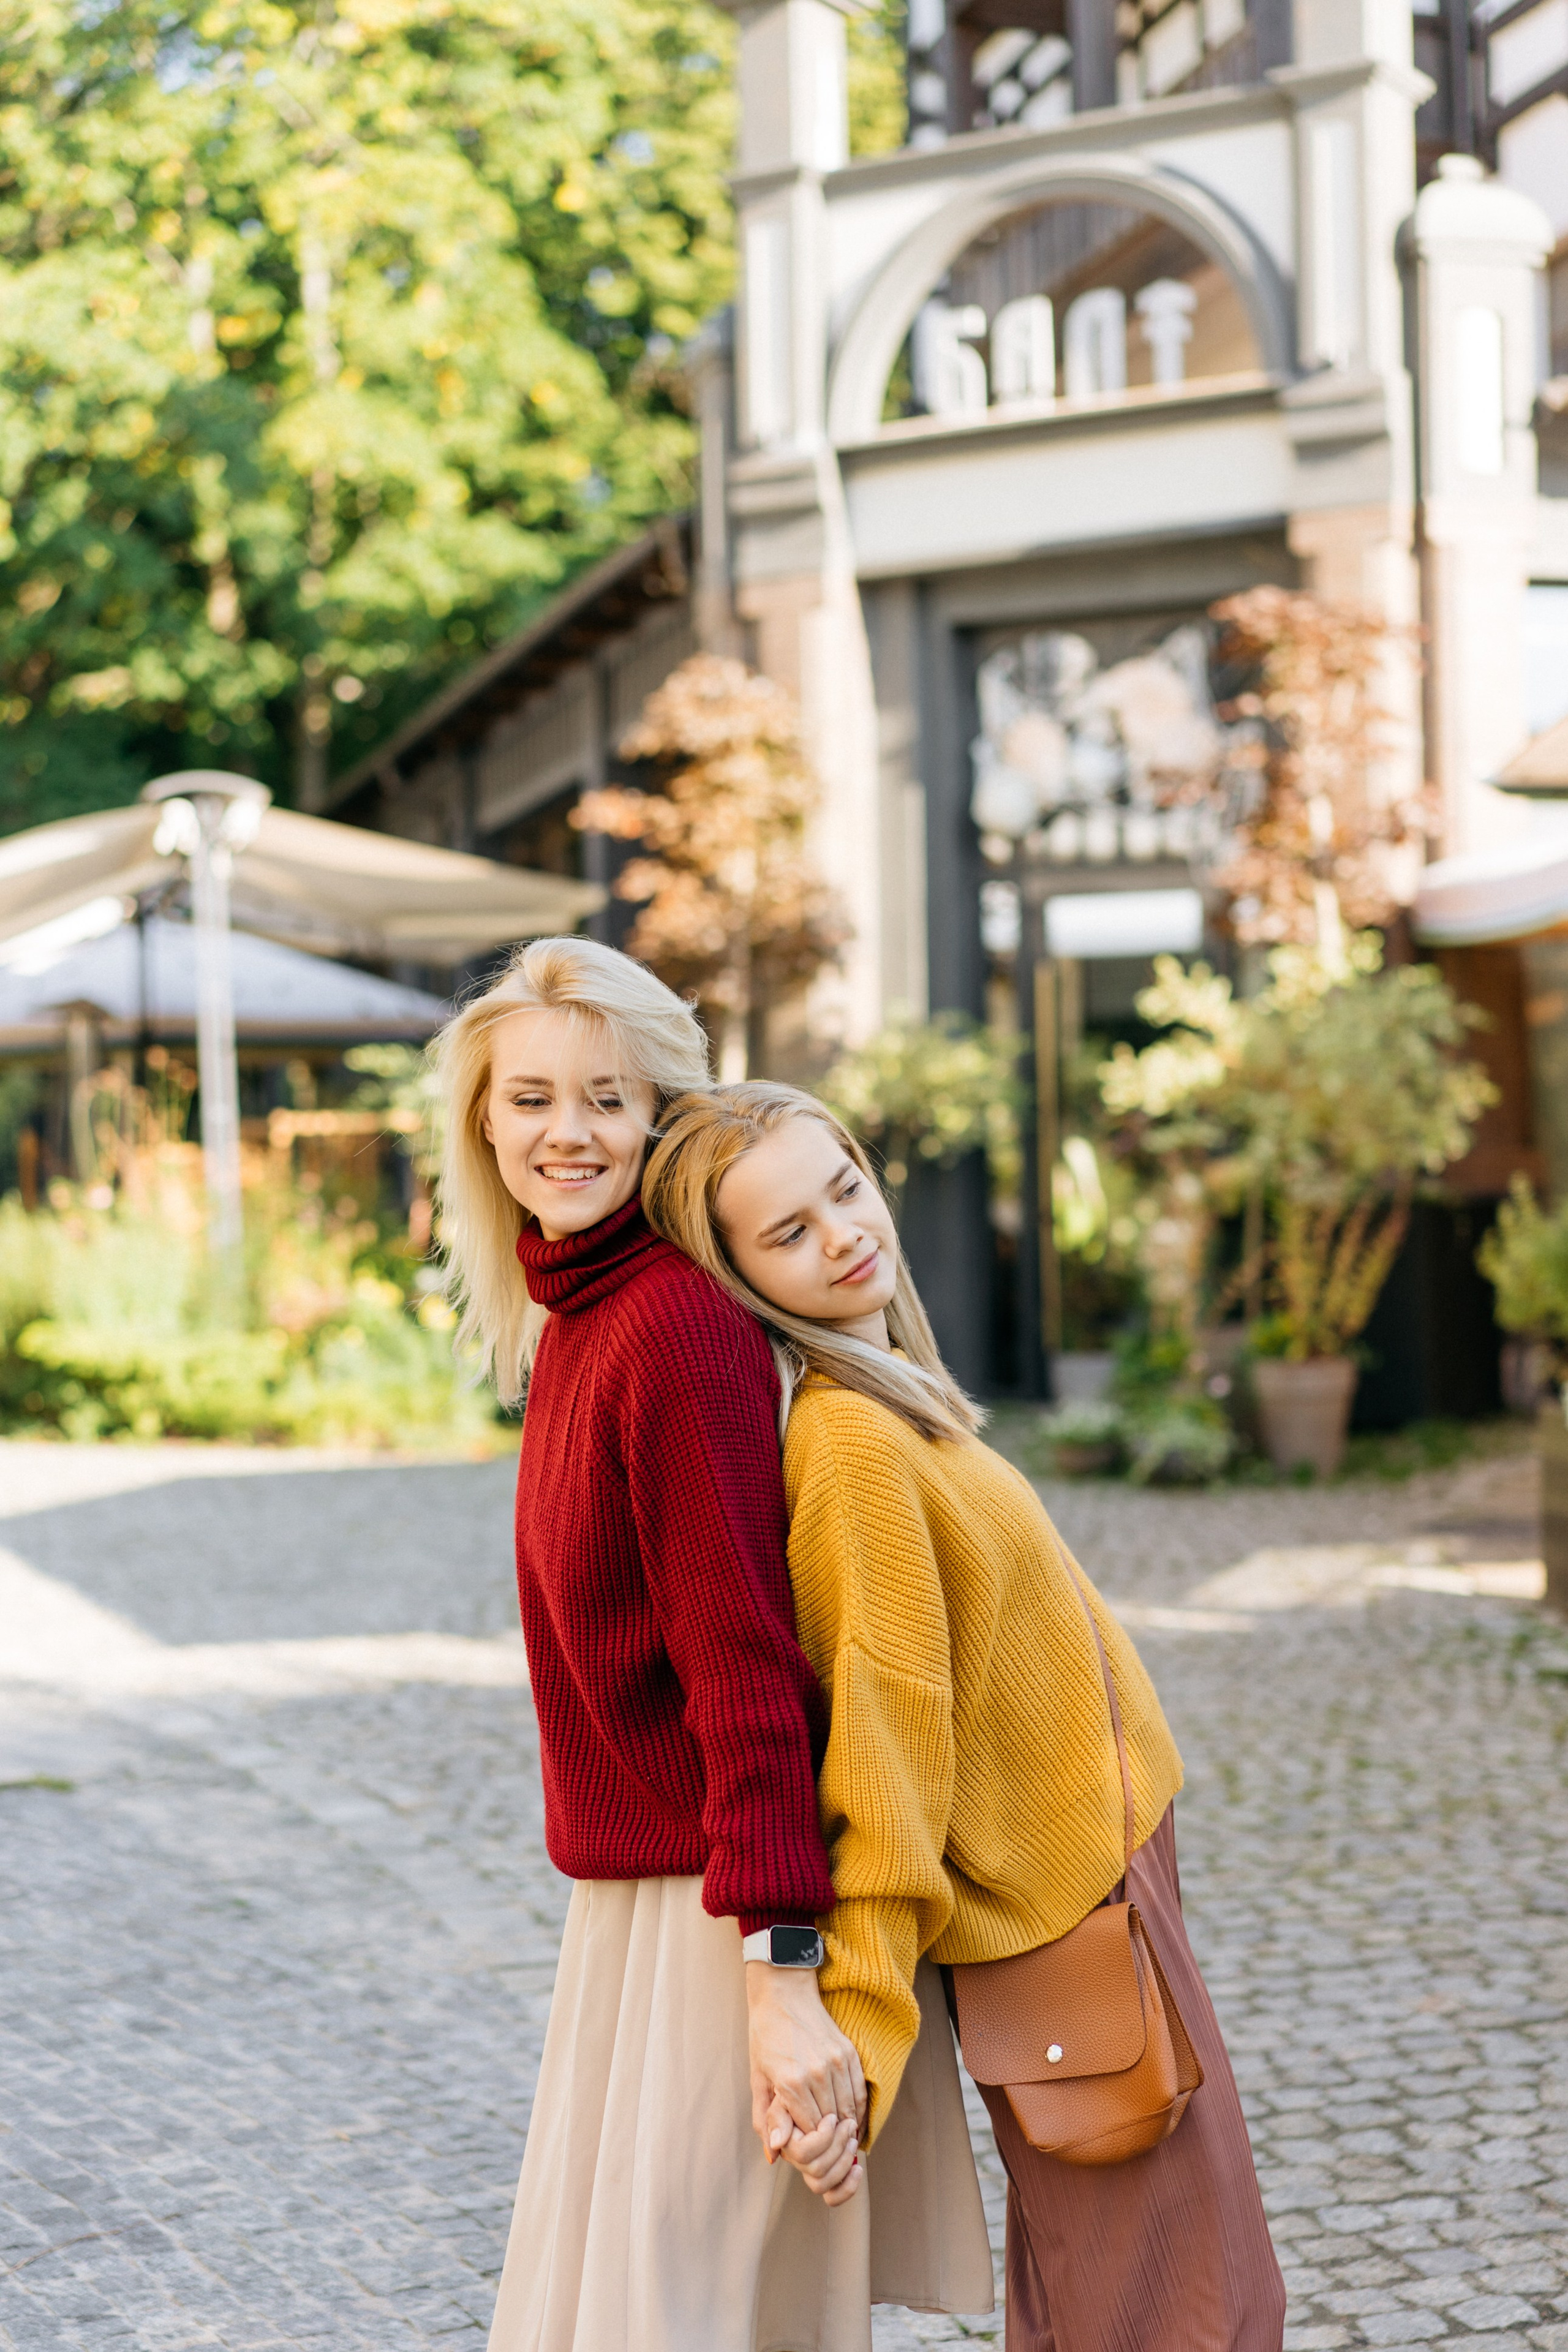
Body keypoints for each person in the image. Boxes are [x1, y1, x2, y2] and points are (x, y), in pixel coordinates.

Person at [644, 1081, 1287, 2352]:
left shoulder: (892, 1397)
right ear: (745, 1281)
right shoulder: (849, 1451)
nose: (840, 1235)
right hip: (1056, 1931)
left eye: (840, 1186)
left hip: (1103, 1888)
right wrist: (858, 2037)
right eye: (786, 1234)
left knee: (1104, 2301)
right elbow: (883, 1763)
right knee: (1186, 2315)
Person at [435, 940, 880, 2352]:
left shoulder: (672, 1329)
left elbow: (747, 1667)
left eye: (610, 1098)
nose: (568, 1132)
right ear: (481, 1122)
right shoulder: (578, 1315)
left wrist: (782, 1976)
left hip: (720, 1922)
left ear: (664, 1114)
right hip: (633, 1915)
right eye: (531, 1100)